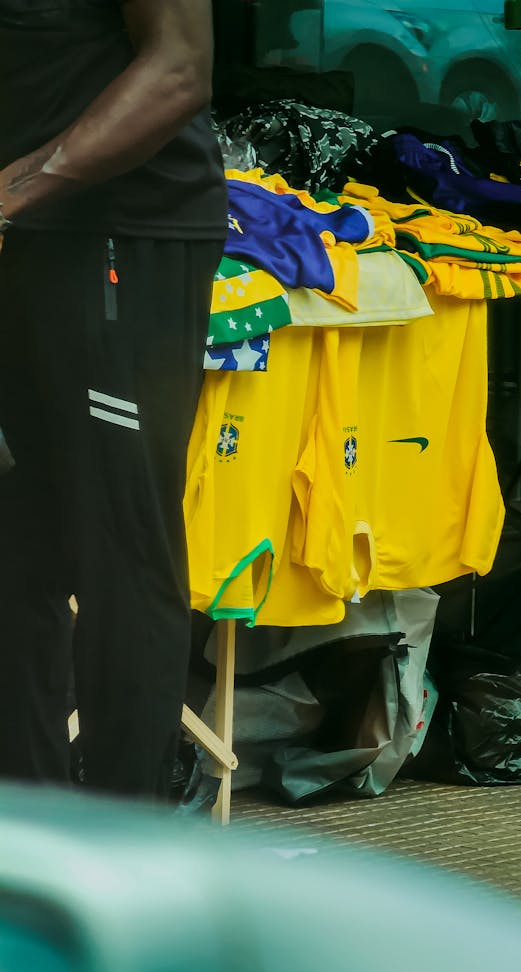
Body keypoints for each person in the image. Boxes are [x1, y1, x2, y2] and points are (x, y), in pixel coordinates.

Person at [0, 1, 227, 798]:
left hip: (119, 236)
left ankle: (123, 851)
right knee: (11, 555)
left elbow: (177, 70)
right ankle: (26, 845)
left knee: (121, 555)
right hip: (21, 247)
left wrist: (14, 194)